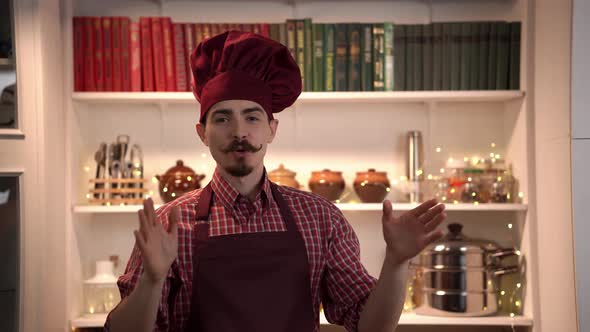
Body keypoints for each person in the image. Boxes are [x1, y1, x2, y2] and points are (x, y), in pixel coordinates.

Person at [104, 30, 446, 332]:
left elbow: (372, 327)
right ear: (202, 133)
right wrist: (152, 279)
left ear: (272, 129)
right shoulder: (169, 224)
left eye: (252, 117)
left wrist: (397, 261)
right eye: (222, 118)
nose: (239, 132)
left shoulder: (321, 218)